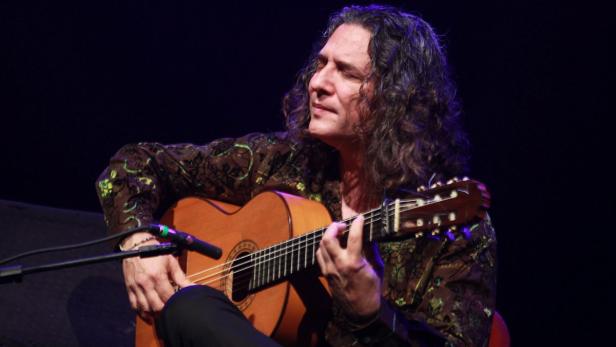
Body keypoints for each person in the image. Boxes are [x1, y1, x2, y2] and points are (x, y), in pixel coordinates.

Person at [97, 4, 497, 346]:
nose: (318, 83)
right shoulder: (287, 161)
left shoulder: (456, 234)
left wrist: (371, 312)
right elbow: (135, 164)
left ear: (398, 99)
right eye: (321, 65)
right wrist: (140, 244)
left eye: (346, 73)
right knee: (188, 308)